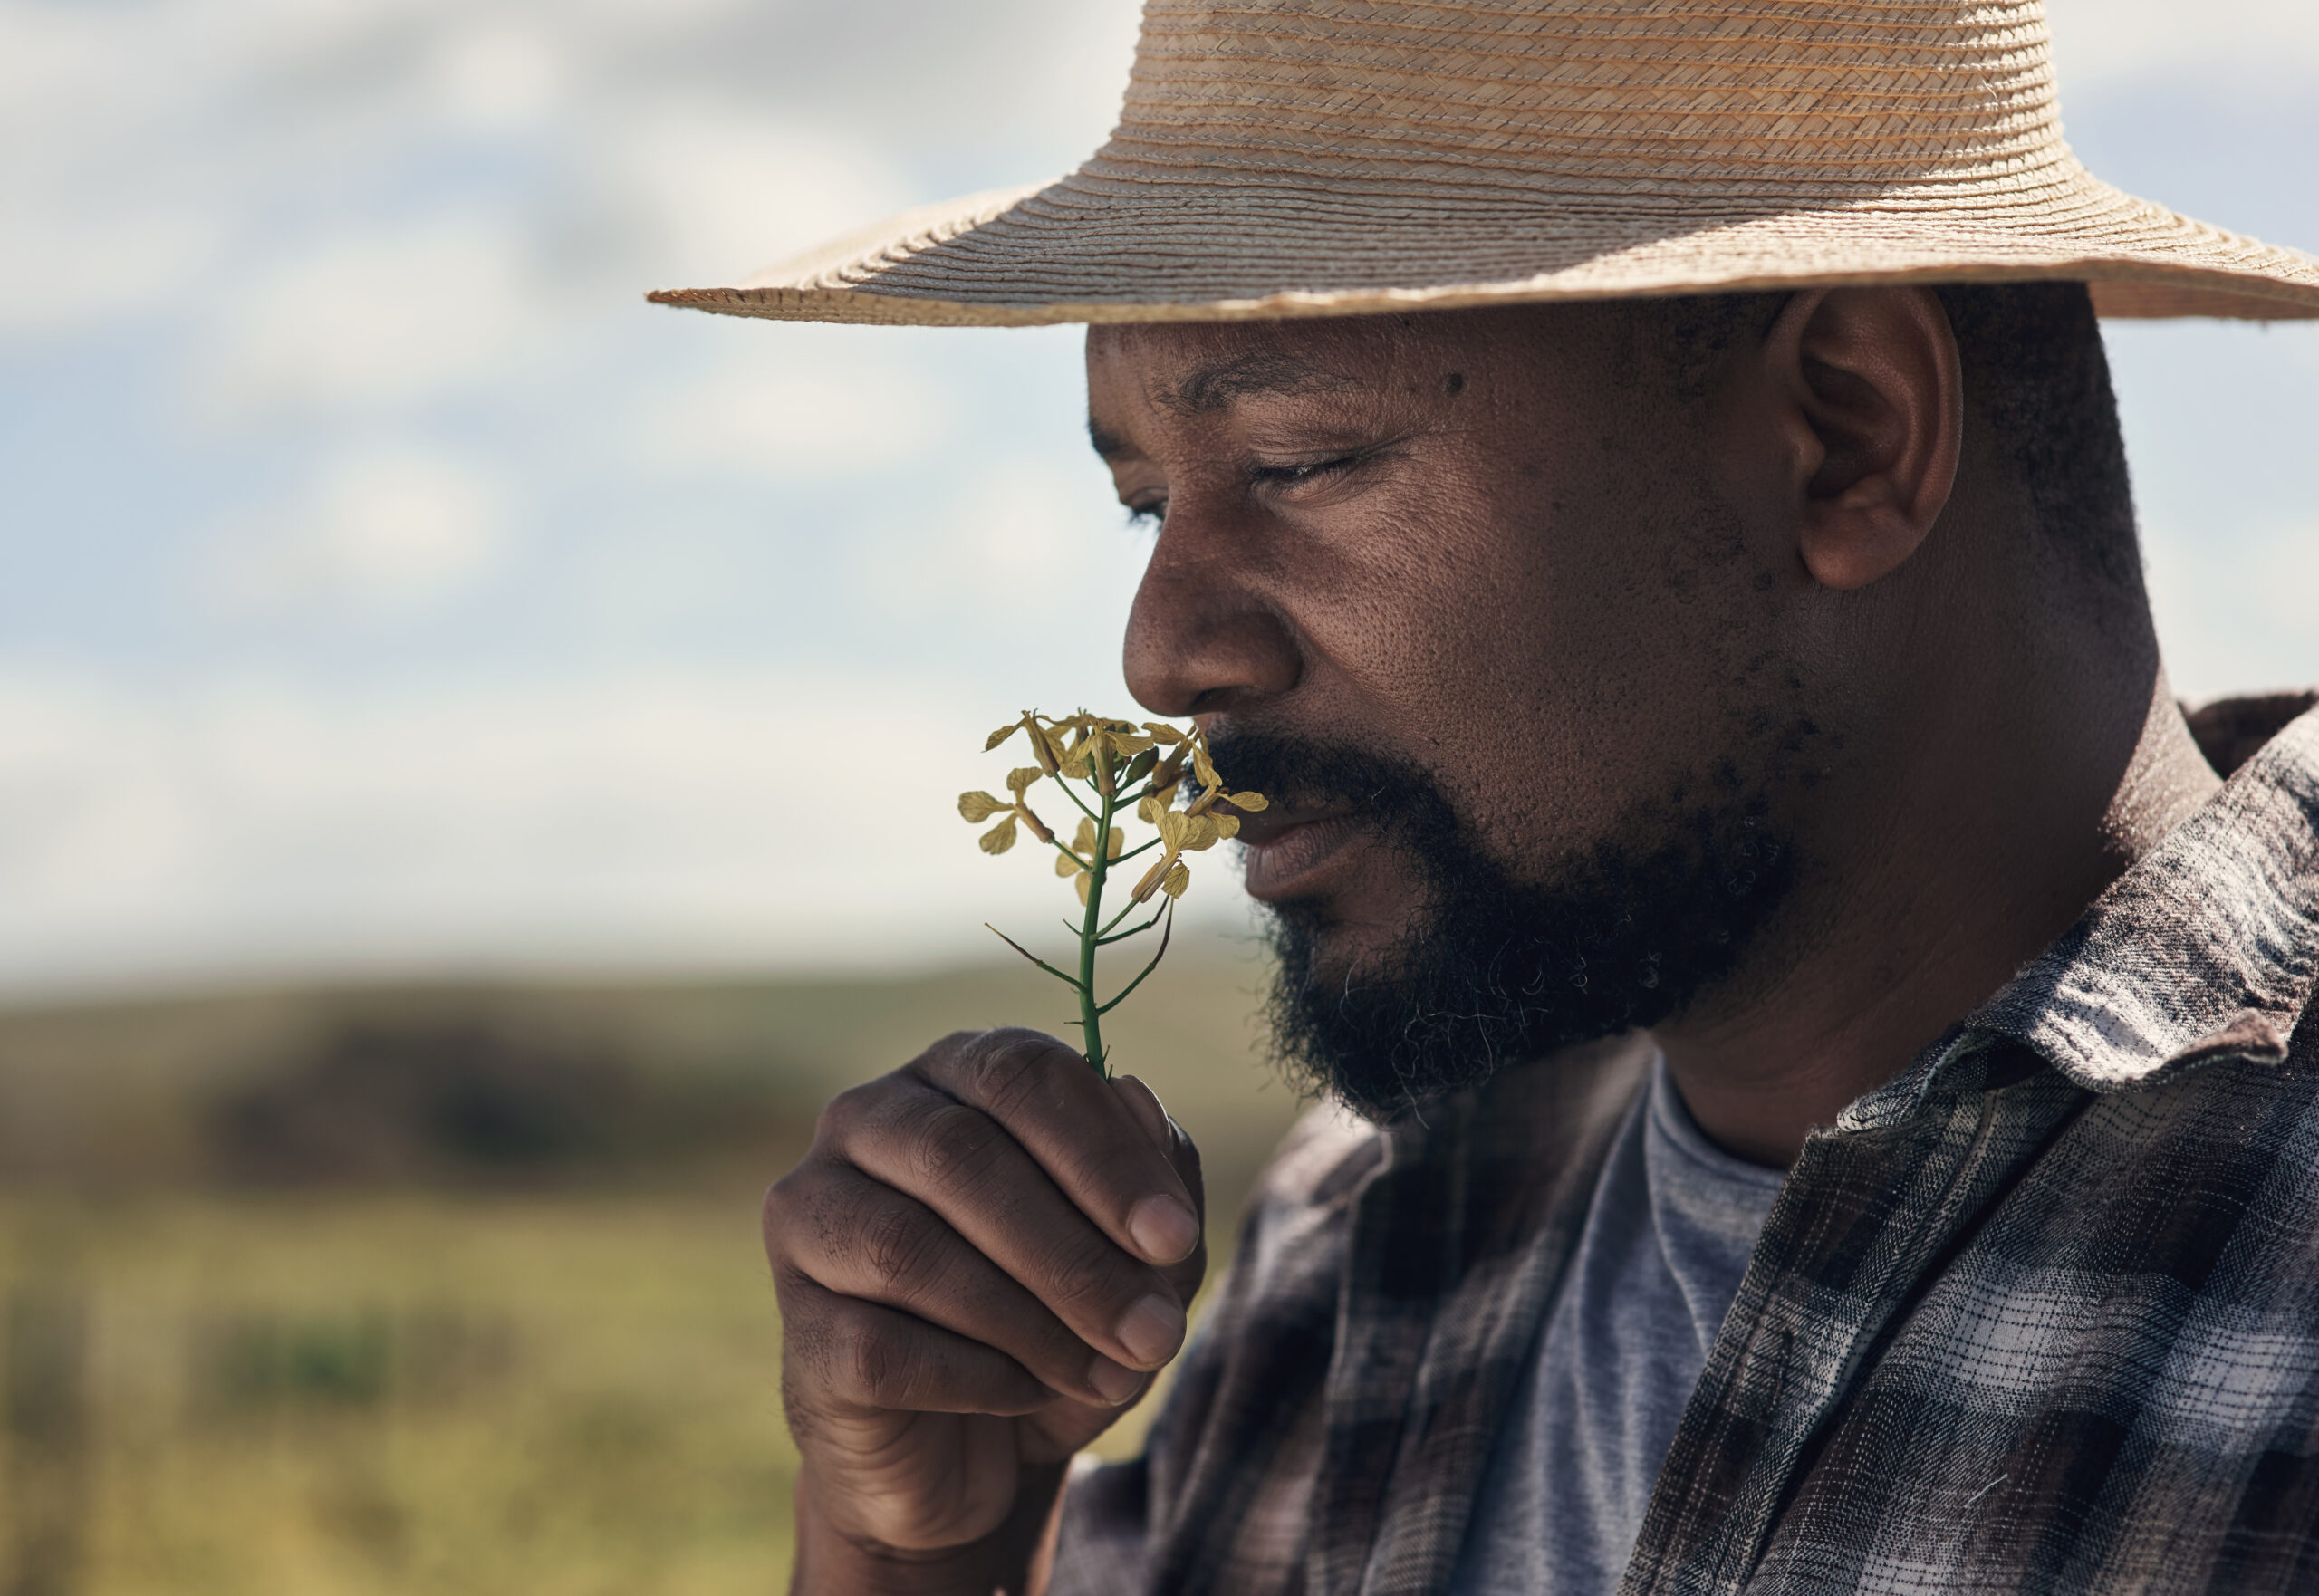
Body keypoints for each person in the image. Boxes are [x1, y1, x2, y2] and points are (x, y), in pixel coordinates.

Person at [652, 2, 2319, 1591]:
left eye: (1300, 464)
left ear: (1849, 433)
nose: (1164, 651)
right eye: (1147, 502)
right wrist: (912, 1552)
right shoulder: (1366, 1239)